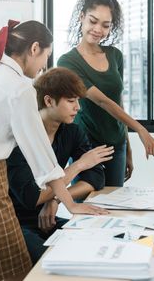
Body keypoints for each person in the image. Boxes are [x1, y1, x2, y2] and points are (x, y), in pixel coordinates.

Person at [0, 20, 107, 281]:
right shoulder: (18, 87)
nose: (43, 66)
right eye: (45, 57)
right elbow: (40, 153)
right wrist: (71, 203)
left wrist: (60, 199)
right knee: (3, 268)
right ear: (34, 48)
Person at [58, 0, 154, 187]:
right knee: (88, 205)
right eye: (93, 21)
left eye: (105, 25)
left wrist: (127, 148)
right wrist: (141, 129)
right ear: (82, 17)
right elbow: (102, 101)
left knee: (115, 203)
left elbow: (118, 101)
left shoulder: (114, 55)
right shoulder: (68, 62)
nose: (98, 29)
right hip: (86, 145)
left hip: (116, 143)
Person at [6, 67, 114, 265]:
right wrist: (79, 165)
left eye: (78, 101)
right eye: (71, 101)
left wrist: (54, 199)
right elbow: (32, 198)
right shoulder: (19, 138)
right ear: (48, 101)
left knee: (102, 240)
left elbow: (96, 179)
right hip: (16, 223)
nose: (78, 108)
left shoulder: (71, 132)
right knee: (51, 262)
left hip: (49, 218)